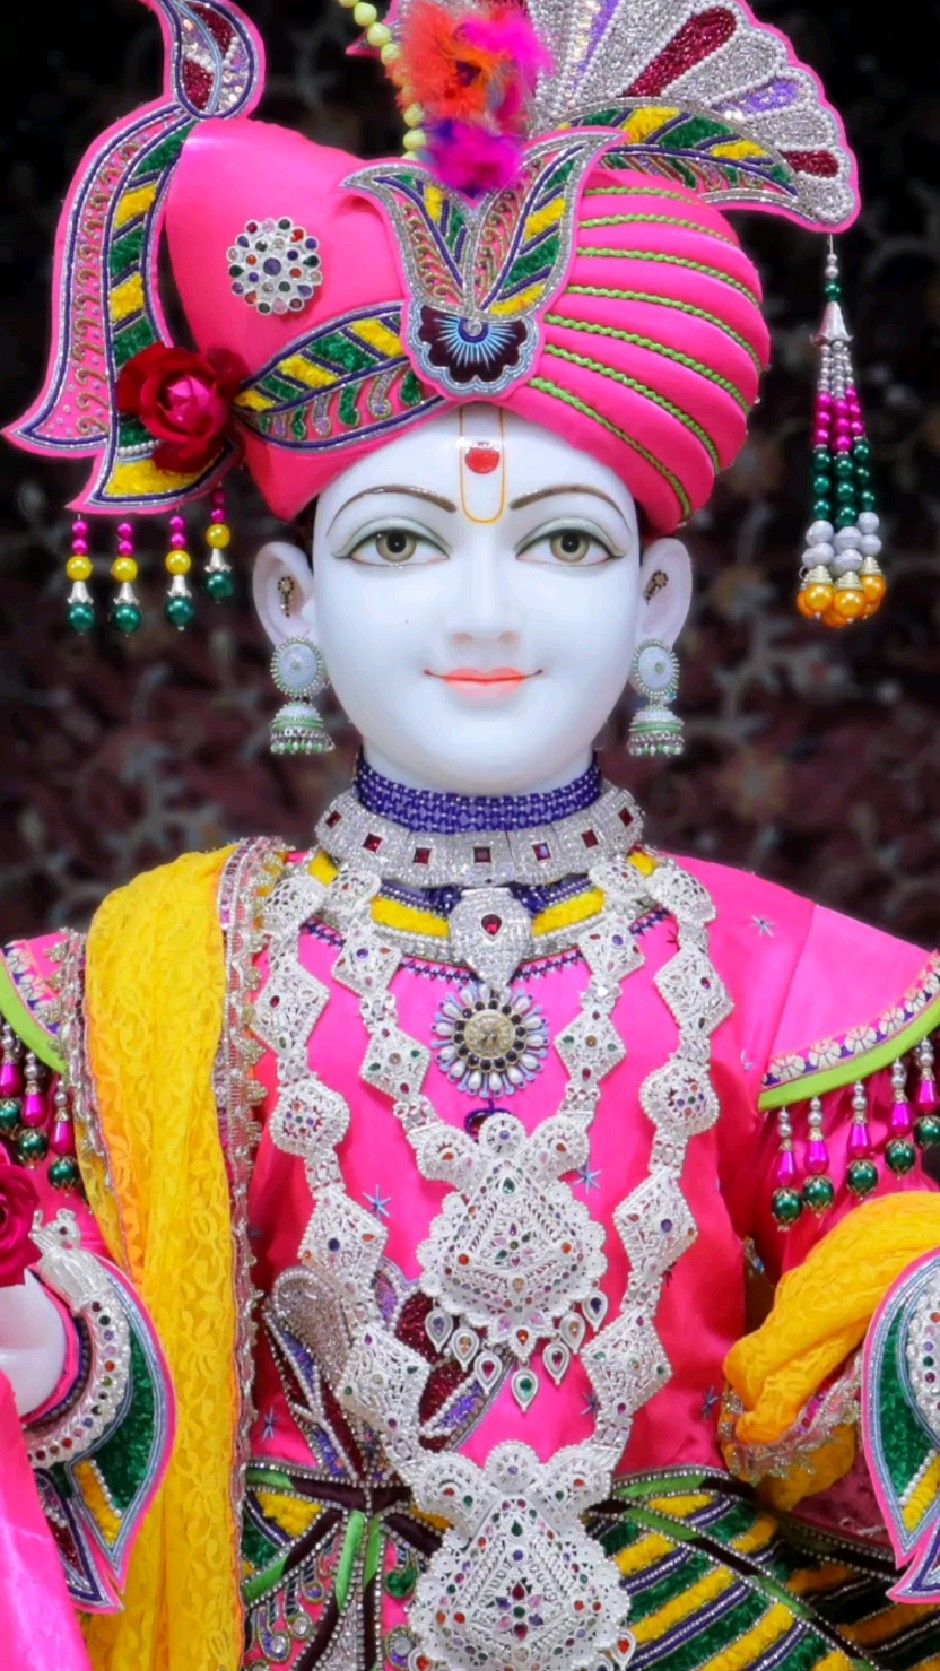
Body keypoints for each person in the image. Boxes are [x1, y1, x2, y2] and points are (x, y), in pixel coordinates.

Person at [0, 2, 937, 1669]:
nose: (486, 609)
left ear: (658, 604)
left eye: (568, 545)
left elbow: (843, 1386)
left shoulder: (799, 984)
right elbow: (78, 1373)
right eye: (401, 546)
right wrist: (60, 1367)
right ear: (293, 604)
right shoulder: (134, 992)